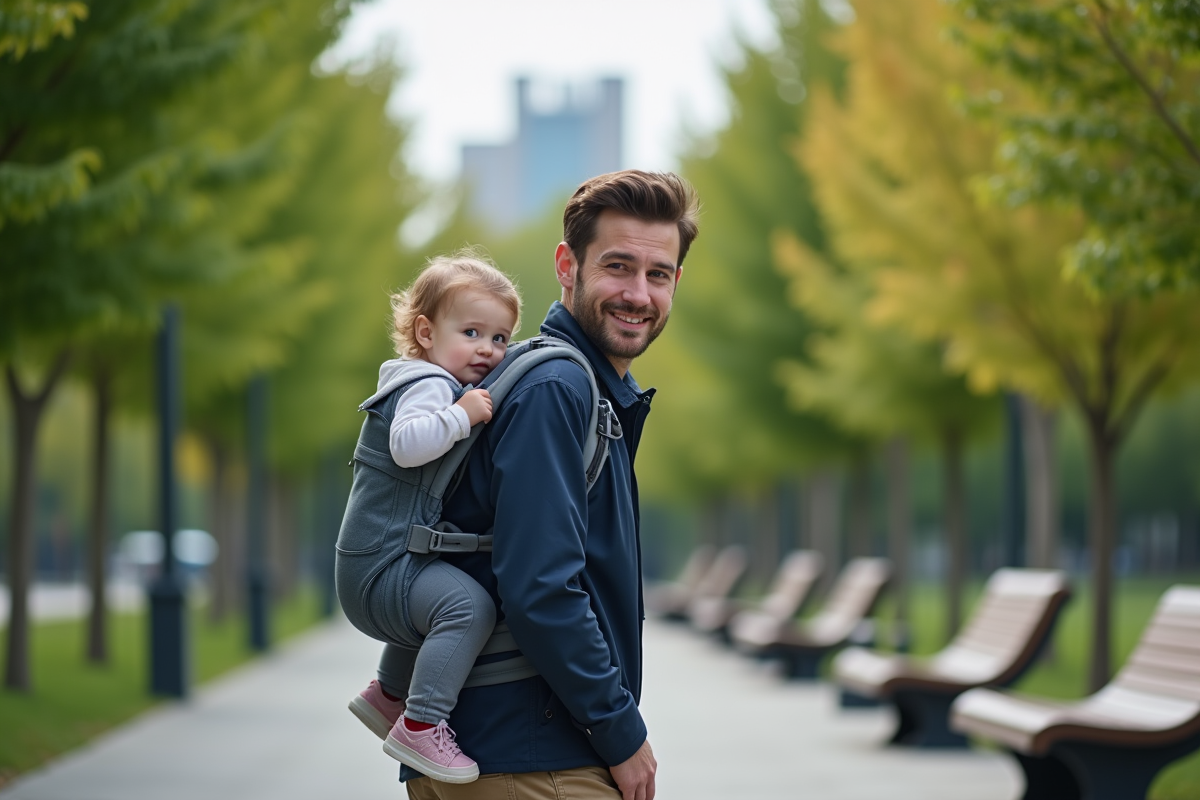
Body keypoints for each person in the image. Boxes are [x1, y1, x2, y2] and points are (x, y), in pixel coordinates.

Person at [403, 170, 700, 800]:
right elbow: (541, 587)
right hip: (533, 761)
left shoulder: (574, 387)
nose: (638, 294)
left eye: (658, 274)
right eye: (618, 267)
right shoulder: (556, 390)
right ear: (568, 265)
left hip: (515, 754)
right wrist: (620, 731)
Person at [337, 251, 521, 784]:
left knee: (443, 590)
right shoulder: (429, 384)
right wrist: (461, 416)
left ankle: (388, 695)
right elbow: (407, 444)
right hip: (382, 568)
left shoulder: (420, 379)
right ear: (425, 332)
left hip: (370, 563)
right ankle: (421, 723)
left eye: (500, 338)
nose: (487, 349)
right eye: (471, 332)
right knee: (467, 607)